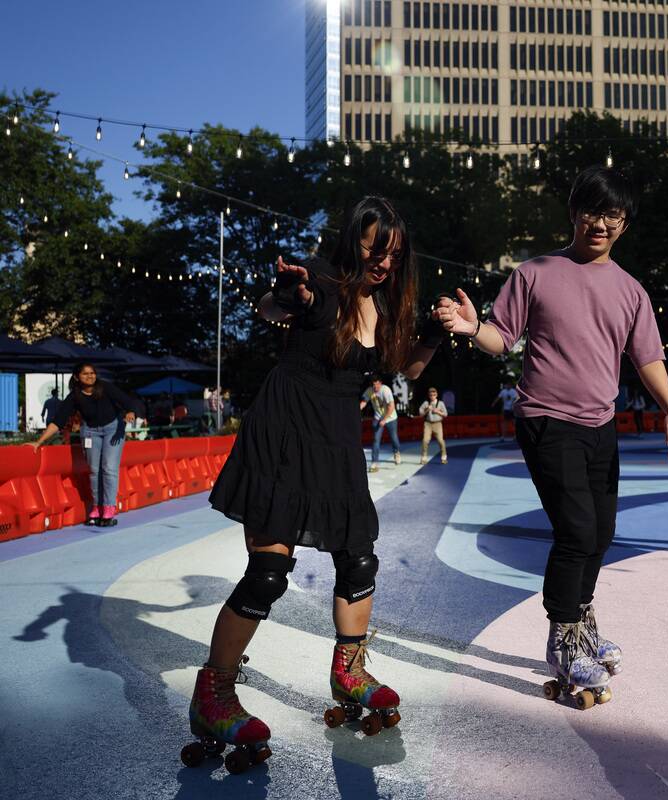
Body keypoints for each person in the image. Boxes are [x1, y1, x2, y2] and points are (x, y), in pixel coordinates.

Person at [188, 197, 443, 769]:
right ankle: (214, 694)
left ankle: (349, 673)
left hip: (335, 444)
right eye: (375, 247)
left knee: (359, 561)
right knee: (268, 573)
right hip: (283, 433)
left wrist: (436, 332)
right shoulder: (320, 285)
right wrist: (290, 296)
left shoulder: (382, 305)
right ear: (353, 240)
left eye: (394, 253)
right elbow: (272, 307)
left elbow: (403, 369)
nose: (383, 261)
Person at [435, 165, 668, 707]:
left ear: (625, 223)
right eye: (593, 211)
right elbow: (501, 337)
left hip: (601, 423)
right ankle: (563, 638)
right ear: (574, 212)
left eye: (614, 214)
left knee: (601, 533)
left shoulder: (631, 290)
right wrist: (469, 327)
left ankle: (583, 622)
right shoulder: (536, 274)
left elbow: (647, 357)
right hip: (546, 418)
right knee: (576, 530)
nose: (602, 223)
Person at [30, 362, 139, 527]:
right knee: (94, 470)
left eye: (92, 373)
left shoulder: (105, 388)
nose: (90, 376)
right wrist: (38, 441)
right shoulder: (74, 396)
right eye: (85, 373)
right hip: (90, 432)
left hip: (113, 429)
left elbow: (128, 402)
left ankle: (109, 507)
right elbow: (58, 422)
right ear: (76, 377)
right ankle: (96, 507)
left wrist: (130, 412)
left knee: (109, 467)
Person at [361, 375, 400, 471]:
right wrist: (358, 409)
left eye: (377, 385)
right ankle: (374, 462)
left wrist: (384, 419)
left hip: (390, 417)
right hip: (378, 418)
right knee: (375, 440)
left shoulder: (386, 390)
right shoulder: (370, 390)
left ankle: (396, 452)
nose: (375, 387)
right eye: (373, 385)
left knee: (393, 438)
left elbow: (391, 407)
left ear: (380, 383)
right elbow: (364, 401)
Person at [417, 386, 449, 465]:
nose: (432, 397)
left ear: (436, 395)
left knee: (441, 441)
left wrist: (438, 411)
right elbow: (420, 414)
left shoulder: (440, 403)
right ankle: (424, 458)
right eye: (431, 395)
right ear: (429, 395)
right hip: (428, 423)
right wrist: (427, 410)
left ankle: (444, 457)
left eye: (434, 395)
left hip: (437, 423)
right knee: (425, 440)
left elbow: (445, 414)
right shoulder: (426, 403)